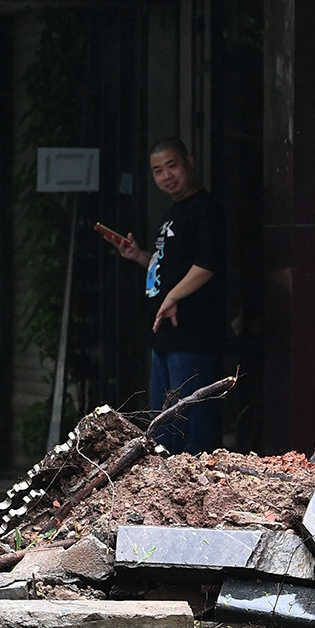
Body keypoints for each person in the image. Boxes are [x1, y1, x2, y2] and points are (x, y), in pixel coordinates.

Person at [100, 138, 226, 453]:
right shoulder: (173, 212)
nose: (167, 175)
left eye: (173, 165)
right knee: (162, 431)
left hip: (192, 336)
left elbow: (207, 265)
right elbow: (167, 268)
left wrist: (172, 298)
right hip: (165, 338)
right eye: (158, 170)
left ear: (190, 162)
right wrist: (139, 255)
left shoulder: (205, 208)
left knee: (189, 432)